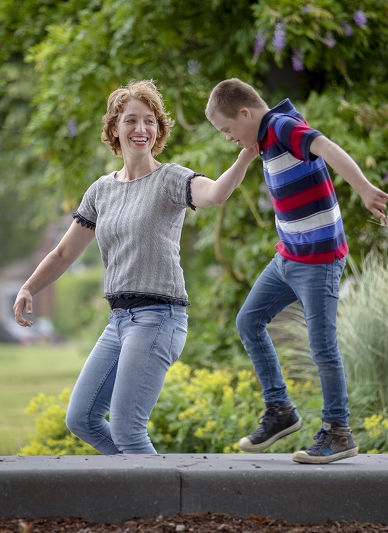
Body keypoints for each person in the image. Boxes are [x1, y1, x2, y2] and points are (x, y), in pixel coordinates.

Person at [14, 80, 257, 455]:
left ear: (158, 130)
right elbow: (63, 253)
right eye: (131, 120)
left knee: (128, 430)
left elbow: (215, 193)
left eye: (149, 121)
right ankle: (140, 483)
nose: (140, 129)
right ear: (114, 128)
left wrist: (245, 157)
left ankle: (160, 493)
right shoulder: (101, 191)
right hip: (119, 321)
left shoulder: (170, 179)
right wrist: (28, 287)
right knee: (82, 419)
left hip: (159, 318)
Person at [205, 78, 388, 464]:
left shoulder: (281, 126)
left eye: (227, 129)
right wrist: (245, 157)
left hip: (319, 261)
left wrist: (363, 187)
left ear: (245, 113)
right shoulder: (266, 138)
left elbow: (327, 147)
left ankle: (339, 431)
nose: (228, 137)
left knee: (322, 346)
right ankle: (281, 411)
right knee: (248, 321)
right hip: (288, 258)